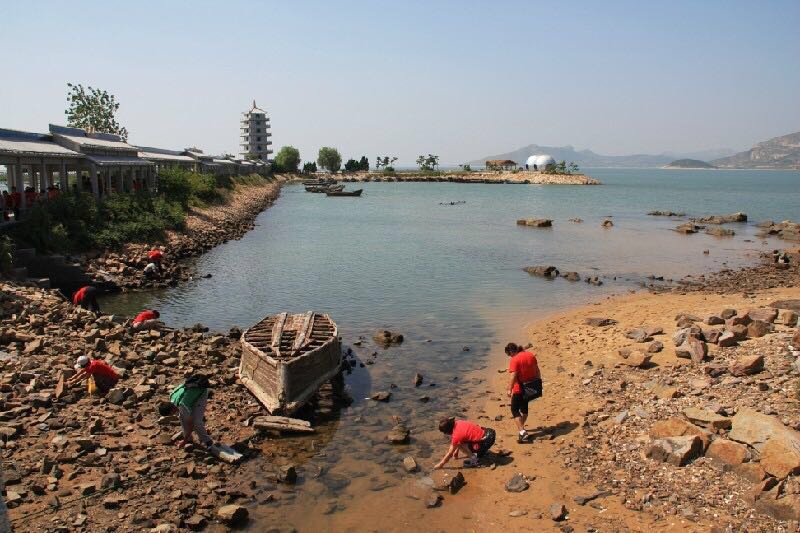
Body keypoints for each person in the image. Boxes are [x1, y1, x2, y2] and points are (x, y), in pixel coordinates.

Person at [159, 375, 213, 449]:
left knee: (196, 421)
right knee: (182, 416)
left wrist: (184, 441)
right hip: (190, 395)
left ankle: (208, 441)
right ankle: (189, 439)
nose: (172, 415)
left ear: (171, 410)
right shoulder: (171, 397)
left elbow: (191, 425)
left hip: (201, 392)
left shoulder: (182, 406)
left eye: (170, 414)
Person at [506, 342, 542, 443]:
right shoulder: (530, 355)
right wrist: (537, 382)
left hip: (519, 389)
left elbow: (513, 376)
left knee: (514, 410)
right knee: (524, 410)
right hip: (530, 387)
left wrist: (509, 389)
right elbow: (537, 370)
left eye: (509, 354)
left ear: (512, 351)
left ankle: (522, 432)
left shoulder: (515, 359)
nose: (510, 357)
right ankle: (521, 427)